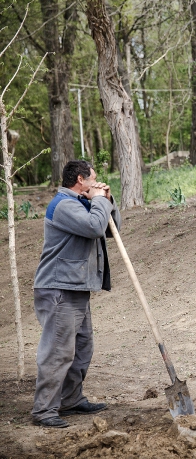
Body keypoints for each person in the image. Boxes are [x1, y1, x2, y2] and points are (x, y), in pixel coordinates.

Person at [31, 160, 121, 428]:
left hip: (77, 287)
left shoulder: (83, 201)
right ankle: (44, 410)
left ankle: (70, 399)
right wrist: (98, 200)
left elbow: (108, 228)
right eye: (94, 179)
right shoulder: (64, 205)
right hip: (59, 289)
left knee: (82, 348)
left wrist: (107, 199)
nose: (96, 182)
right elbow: (94, 226)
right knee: (58, 351)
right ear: (80, 179)